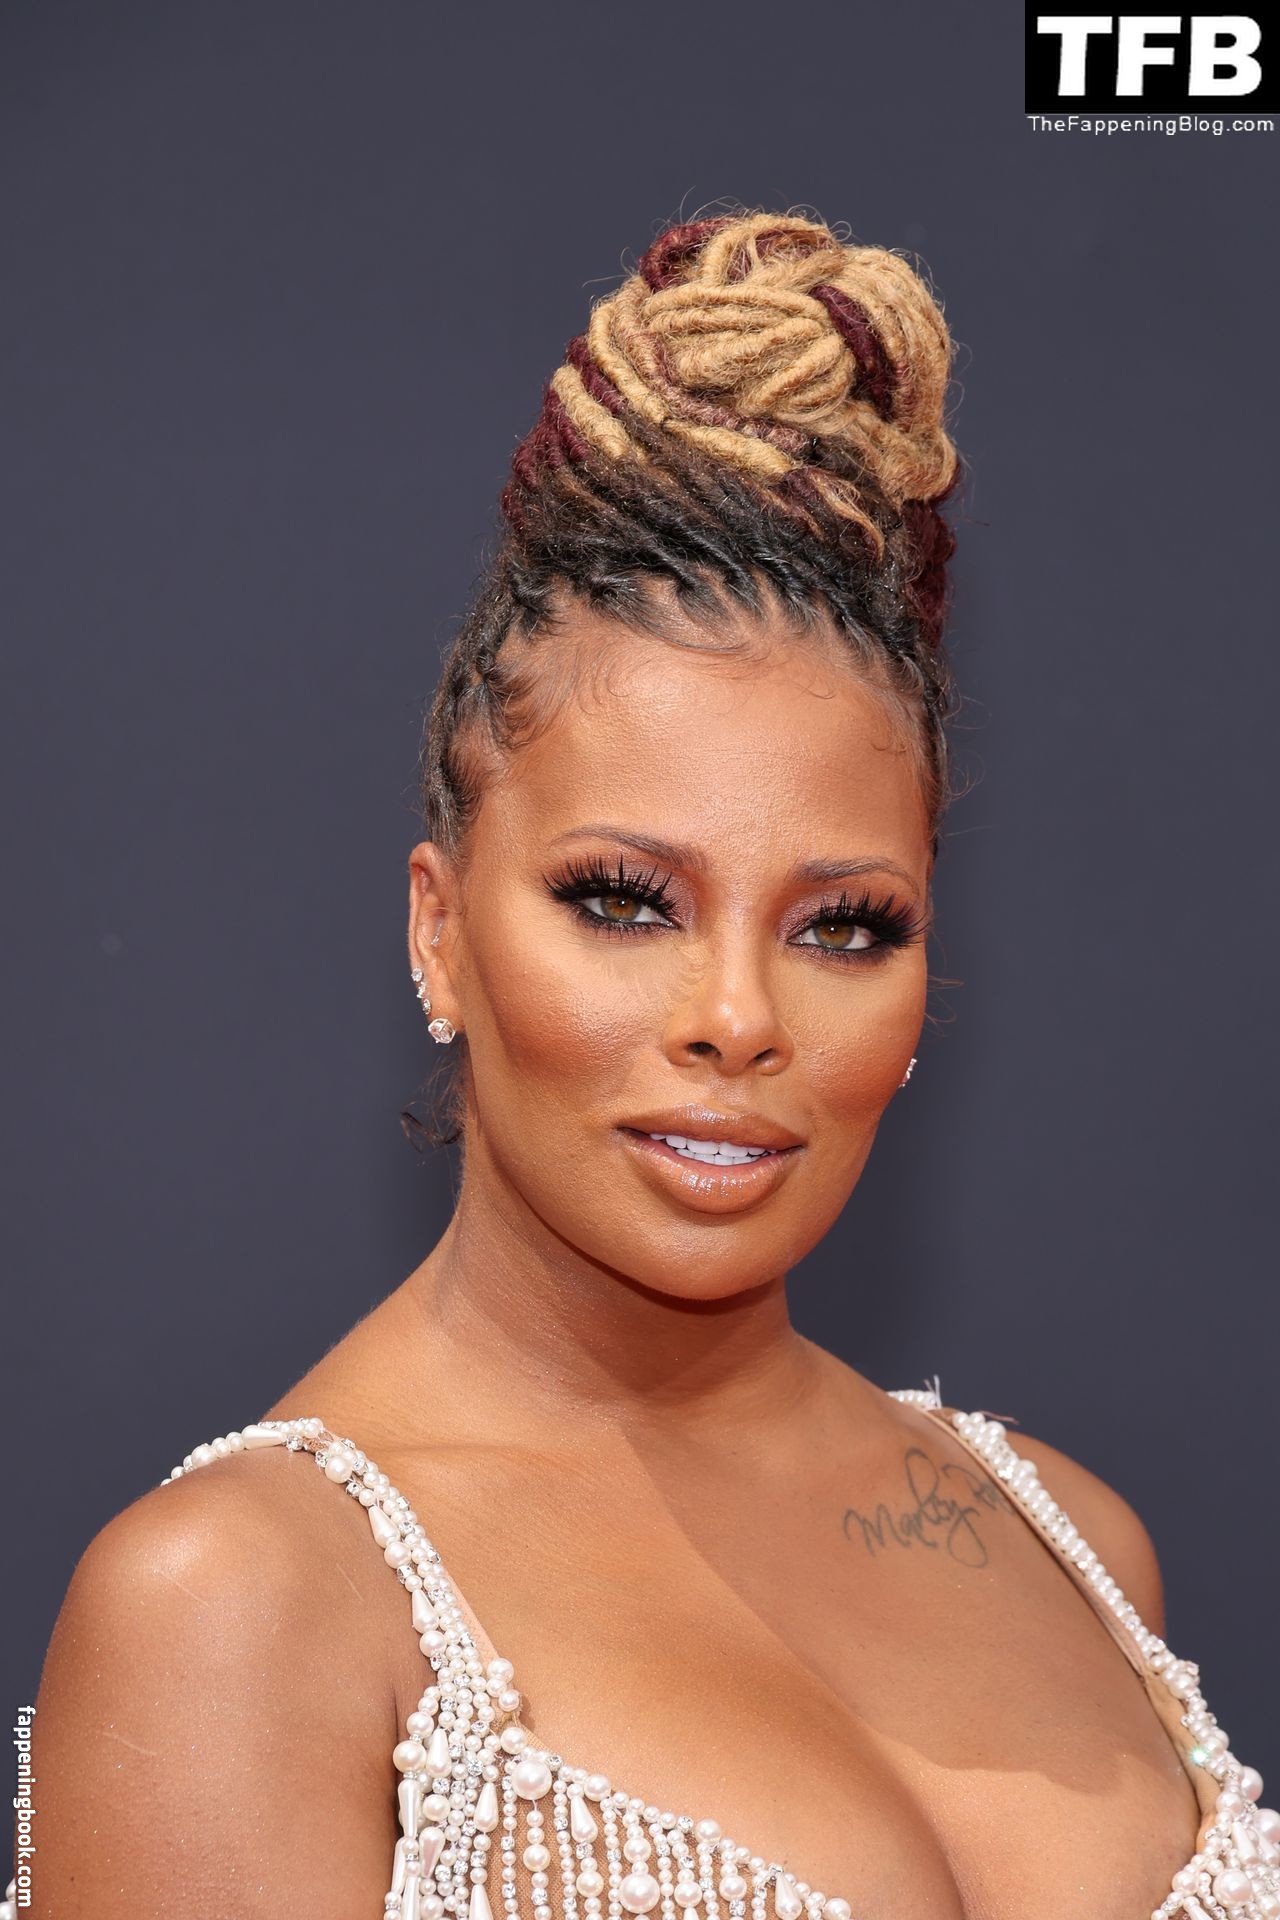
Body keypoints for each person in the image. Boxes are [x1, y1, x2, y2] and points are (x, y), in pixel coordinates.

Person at [10, 210, 1276, 1920]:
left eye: (844, 927)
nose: (737, 1016)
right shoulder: (241, 1608)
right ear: (439, 932)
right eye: (622, 901)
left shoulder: (1071, 1540)